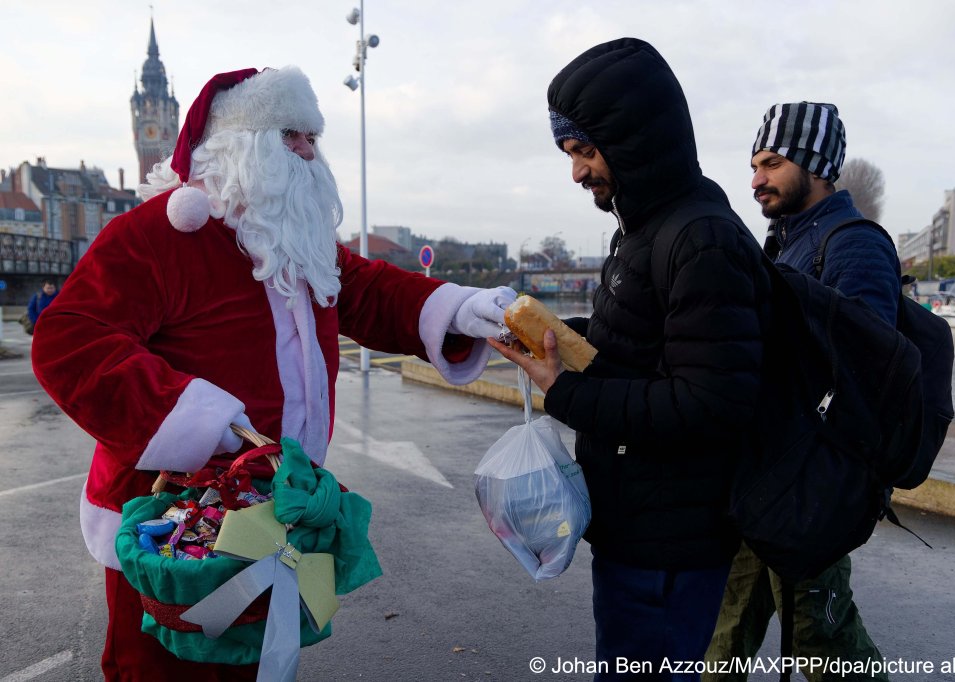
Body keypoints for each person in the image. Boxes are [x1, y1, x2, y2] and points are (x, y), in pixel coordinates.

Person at [31, 66, 515, 681]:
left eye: (313, 137)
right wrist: (197, 418)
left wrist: (457, 307)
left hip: (270, 505)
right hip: (169, 519)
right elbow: (70, 339)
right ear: (241, 143)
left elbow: (364, 290)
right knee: (161, 665)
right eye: (292, 136)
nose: (309, 153)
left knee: (254, 661)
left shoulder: (295, 238)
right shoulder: (160, 234)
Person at [489, 38, 773, 680]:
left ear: (637, 140)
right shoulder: (646, 226)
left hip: (670, 546)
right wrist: (556, 335)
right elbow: (645, 342)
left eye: (585, 151)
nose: (577, 172)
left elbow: (711, 402)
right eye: (570, 153)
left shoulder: (699, 238)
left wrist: (563, 390)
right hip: (640, 529)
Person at [703, 102, 901, 682]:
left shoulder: (854, 244)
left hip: (808, 488)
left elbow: (870, 365)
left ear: (816, 166)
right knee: (724, 630)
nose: (756, 179)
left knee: (823, 640)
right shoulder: (785, 242)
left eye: (772, 164)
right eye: (754, 164)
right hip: (760, 476)